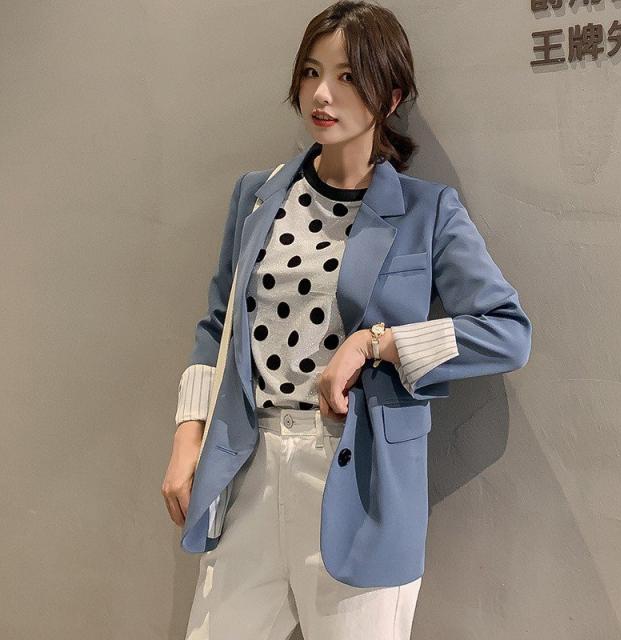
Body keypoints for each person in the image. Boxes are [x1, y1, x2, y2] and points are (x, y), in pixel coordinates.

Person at [162, 2, 532, 639]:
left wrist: (375, 343)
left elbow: (507, 332)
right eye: (311, 72)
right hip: (248, 467)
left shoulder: (426, 212)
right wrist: (186, 437)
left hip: (358, 479)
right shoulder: (257, 195)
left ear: (390, 96)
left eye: (348, 76)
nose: (321, 94)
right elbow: (218, 324)